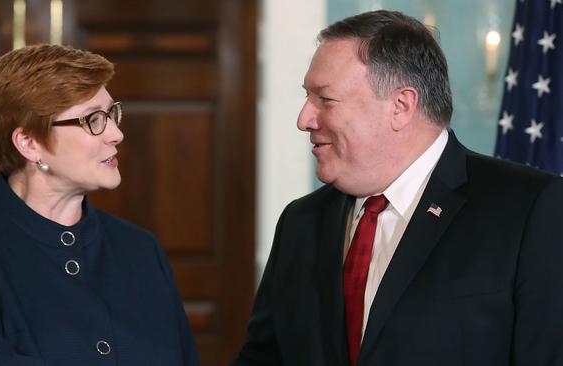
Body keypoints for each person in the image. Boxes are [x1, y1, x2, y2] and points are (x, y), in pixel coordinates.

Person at [233, 10, 563, 366]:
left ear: (401, 106)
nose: (304, 119)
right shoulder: (301, 221)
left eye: (324, 100)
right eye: (307, 98)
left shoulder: (531, 209)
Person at [0, 44, 200, 366]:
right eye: (93, 119)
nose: (116, 133)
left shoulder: (140, 249)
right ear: (29, 143)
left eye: (112, 114)